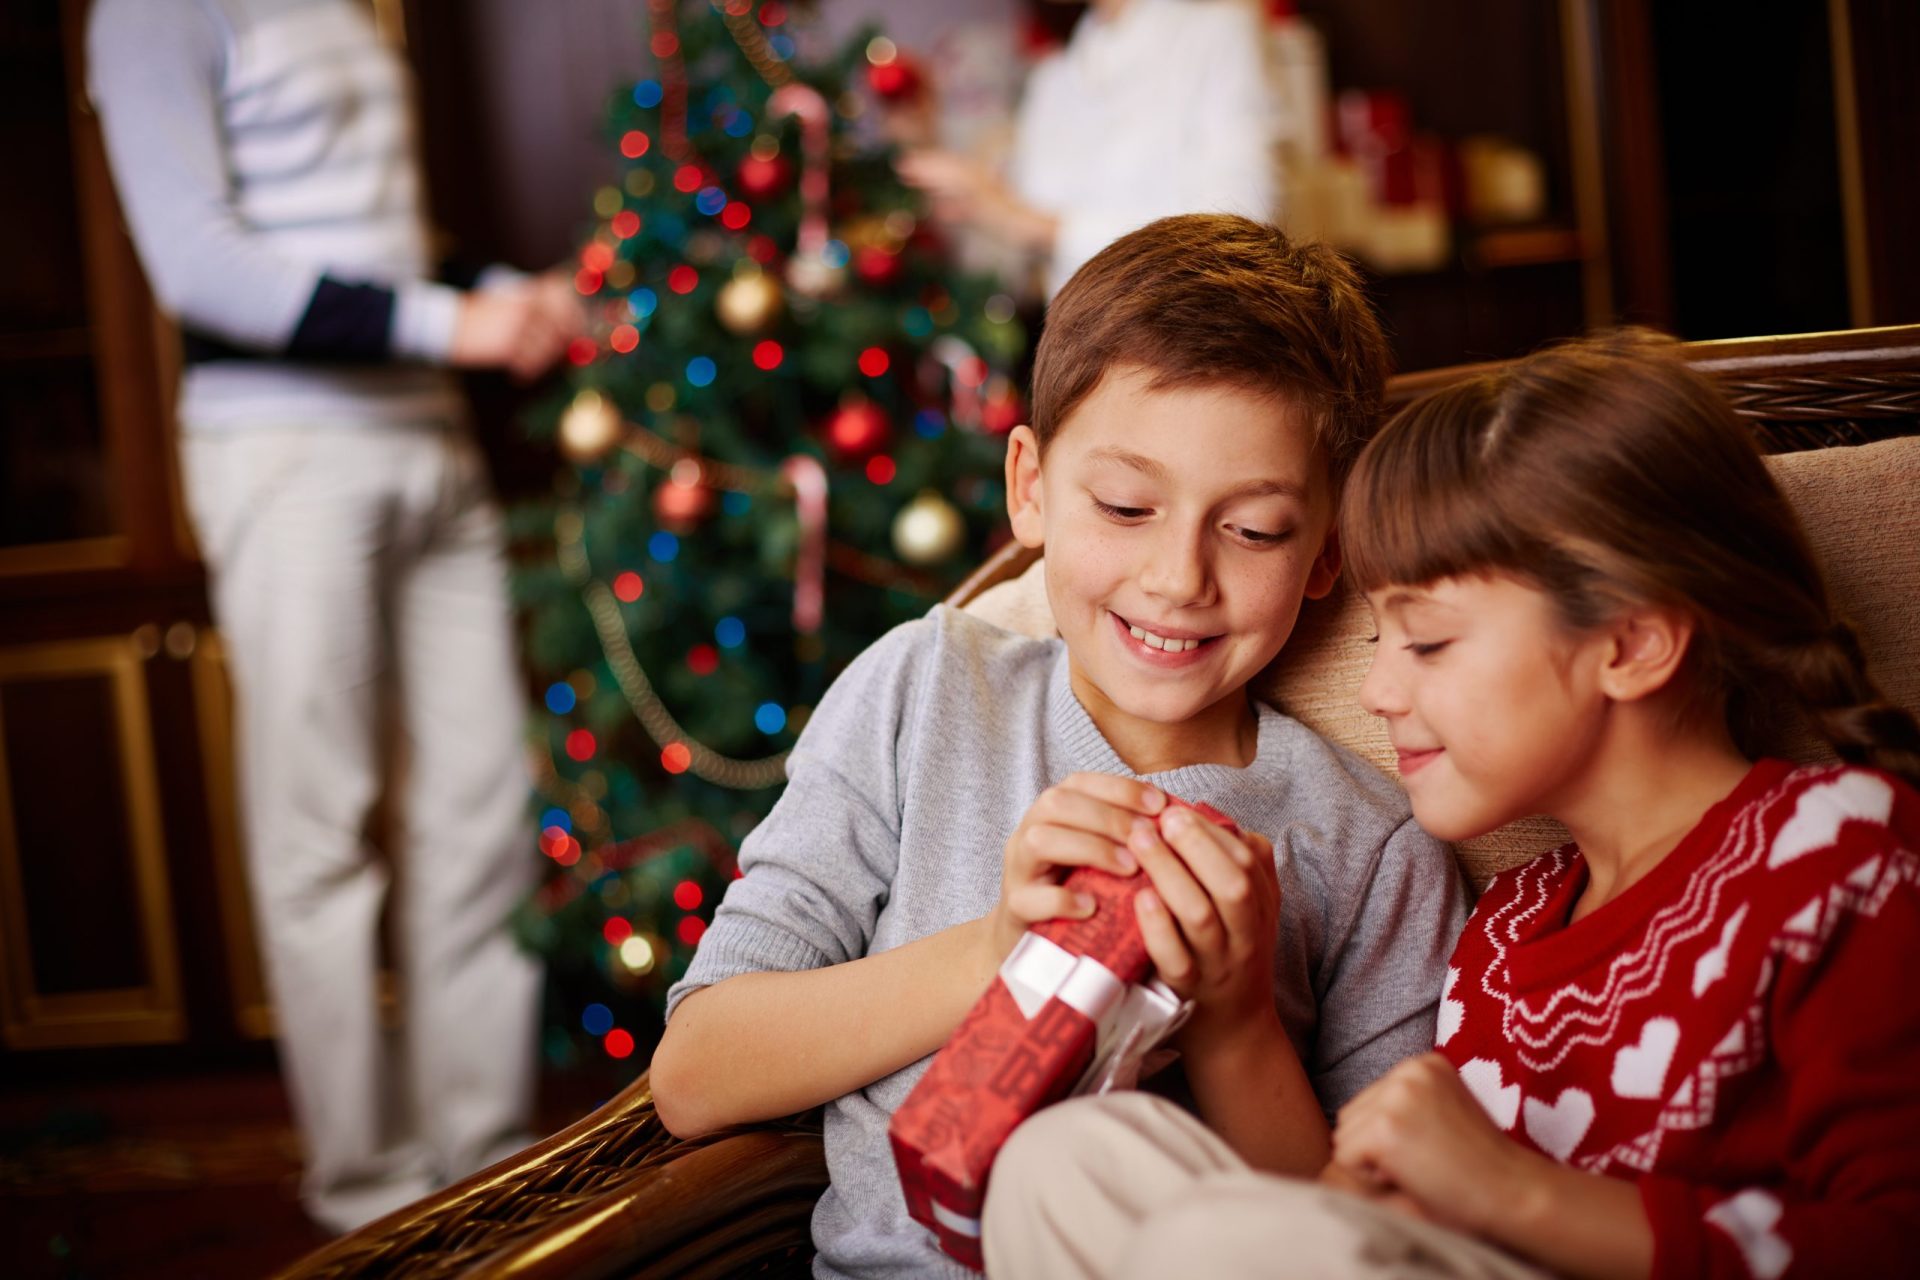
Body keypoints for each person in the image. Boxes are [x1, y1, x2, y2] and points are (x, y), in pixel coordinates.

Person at [982, 330, 1920, 1279]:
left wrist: (1515, 1194)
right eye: (1380, 637)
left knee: (1210, 1237)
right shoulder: (1506, 931)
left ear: (1633, 643)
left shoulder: (1838, 854)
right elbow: (1360, 1236)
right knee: (1064, 1164)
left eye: (1426, 642)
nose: (1380, 690)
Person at [649, 212, 1468, 1279]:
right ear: (1029, 486)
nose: (1180, 575)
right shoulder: (926, 689)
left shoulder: (1375, 844)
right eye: (1126, 504)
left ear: (1326, 549)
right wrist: (995, 949)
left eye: (1255, 528)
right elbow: (697, 1071)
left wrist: (1235, 1027)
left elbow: (1368, 1239)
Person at [86, 0, 580, 1233]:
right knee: (321, 828)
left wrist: (508, 295)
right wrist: (452, 324)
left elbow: (393, 244)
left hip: (431, 444)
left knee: (483, 816)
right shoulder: (148, 13)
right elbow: (199, 266)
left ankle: (483, 1169)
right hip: (289, 453)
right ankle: (368, 1197)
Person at [896, 0, 1277, 297]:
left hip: (1180, 360)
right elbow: (1007, 263)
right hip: (1076, 358)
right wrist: (926, 143)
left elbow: (1238, 230)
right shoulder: (1053, 80)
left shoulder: (1212, 37)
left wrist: (1035, 226)